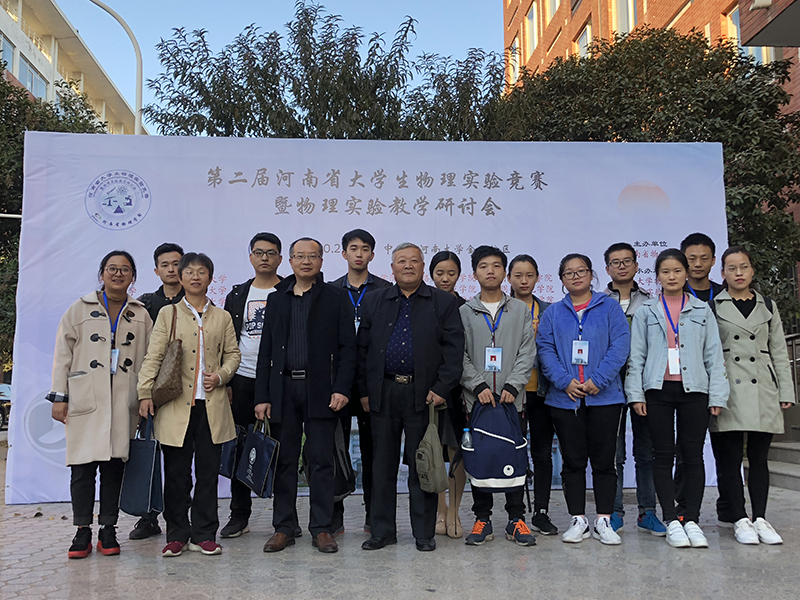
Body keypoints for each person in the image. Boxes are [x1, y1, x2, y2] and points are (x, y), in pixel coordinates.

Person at [358, 243, 464, 552]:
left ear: (422, 267)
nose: (408, 266)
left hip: (425, 395)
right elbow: (362, 350)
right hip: (384, 392)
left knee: (424, 464)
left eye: (414, 261)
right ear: (391, 268)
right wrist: (364, 391)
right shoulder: (375, 300)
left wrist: (441, 389)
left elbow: (454, 351)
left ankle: (424, 532)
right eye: (401, 261)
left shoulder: (443, 302)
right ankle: (382, 531)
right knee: (382, 465)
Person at [48, 251, 152, 558]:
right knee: (82, 468)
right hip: (85, 397)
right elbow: (62, 354)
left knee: (113, 468)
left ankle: (108, 529)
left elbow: (149, 359)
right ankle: (82, 531)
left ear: (133, 277)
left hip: (122, 399)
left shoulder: (141, 314)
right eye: (112, 268)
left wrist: (144, 395)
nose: (118, 274)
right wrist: (60, 396)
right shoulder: (79, 309)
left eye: (125, 269)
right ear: (101, 274)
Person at [255, 238, 356, 554]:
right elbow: (266, 351)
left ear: (321, 261)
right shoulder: (277, 299)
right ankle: (284, 527)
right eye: (300, 256)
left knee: (321, 461)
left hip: (321, 390)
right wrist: (262, 395)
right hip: (284, 389)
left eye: (312, 256)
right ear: (290, 261)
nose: (306, 261)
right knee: (284, 460)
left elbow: (348, 349)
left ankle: (322, 528)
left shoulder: (335, 298)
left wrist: (341, 388)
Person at [138, 252, 241, 557]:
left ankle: (204, 534)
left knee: (208, 474)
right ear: (180, 278)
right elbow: (154, 355)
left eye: (202, 272)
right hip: (175, 407)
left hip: (212, 407)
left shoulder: (222, 317)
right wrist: (145, 393)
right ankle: (177, 534)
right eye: (190, 272)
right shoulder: (168, 314)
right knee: (176, 475)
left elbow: (233, 355)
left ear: (210, 278)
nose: (195, 277)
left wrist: (221, 376)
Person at [626, 248, 728, 549]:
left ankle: (691, 518)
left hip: (695, 390)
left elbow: (714, 356)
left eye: (677, 271)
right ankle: (671, 519)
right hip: (657, 390)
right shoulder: (646, 311)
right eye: (665, 271)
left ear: (686, 273)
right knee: (662, 455)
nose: (671, 276)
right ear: (657, 276)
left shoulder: (702, 310)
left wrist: (717, 394)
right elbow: (637, 357)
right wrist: (636, 394)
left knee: (693, 456)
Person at [537, 253, 630, 546]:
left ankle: (604, 519)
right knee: (572, 462)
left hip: (605, 398)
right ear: (561, 280)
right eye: (569, 273)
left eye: (581, 271)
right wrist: (564, 381)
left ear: (591, 275)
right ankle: (578, 519)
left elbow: (620, 345)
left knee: (605, 462)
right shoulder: (553, 313)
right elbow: (545, 349)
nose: (576, 276)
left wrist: (598, 380)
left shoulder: (609, 307)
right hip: (565, 400)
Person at [709, 246, 795, 545]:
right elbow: (709, 353)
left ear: (752, 270)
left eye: (743, 267)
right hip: (728, 390)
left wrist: (786, 390)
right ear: (723, 273)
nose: (738, 273)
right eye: (732, 268)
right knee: (730, 459)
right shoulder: (712, 306)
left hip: (763, 389)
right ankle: (739, 518)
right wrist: (713, 394)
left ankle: (760, 517)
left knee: (759, 458)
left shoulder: (767, 305)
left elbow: (779, 351)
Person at [460, 246, 537, 547]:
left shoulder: (519, 310)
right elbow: (459, 355)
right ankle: (483, 519)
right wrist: (477, 386)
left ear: (504, 272)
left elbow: (526, 351)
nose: (490, 271)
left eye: (496, 265)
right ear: (474, 273)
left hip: (511, 401)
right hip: (477, 402)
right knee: (481, 458)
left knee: (513, 456)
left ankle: (516, 519)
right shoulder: (465, 312)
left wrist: (514, 385)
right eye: (483, 266)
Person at [220, 233, 283, 539]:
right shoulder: (237, 294)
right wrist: (227, 380)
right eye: (259, 253)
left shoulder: (290, 290)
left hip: (280, 380)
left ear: (280, 258)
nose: (264, 258)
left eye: (270, 253)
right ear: (250, 257)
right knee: (240, 449)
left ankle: (284, 519)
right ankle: (239, 514)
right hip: (243, 379)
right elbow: (226, 341)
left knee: (283, 448)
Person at [329, 229, 391, 535]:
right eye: (353, 248)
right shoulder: (330, 291)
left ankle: (373, 513)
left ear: (372, 255)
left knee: (373, 450)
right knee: (336, 448)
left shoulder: (385, 290)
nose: (359, 254)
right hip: (339, 381)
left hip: (372, 381)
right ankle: (334, 514)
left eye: (365, 249)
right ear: (343, 253)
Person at [602, 242, 665, 536]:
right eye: (615, 262)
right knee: (613, 453)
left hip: (643, 382)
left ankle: (647, 512)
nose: (622, 266)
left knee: (646, 452)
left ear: (637, 266)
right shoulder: (599, 303)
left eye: (627, 261)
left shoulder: (651, 303)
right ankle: (614, 512)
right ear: (607, 269)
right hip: (608, 384)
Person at [128, 242, 184, 541]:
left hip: (186, 390)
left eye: (177, 263)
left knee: (181, 458)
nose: (172, 269)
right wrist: (144, 391)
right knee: (150, 453)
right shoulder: (144, 305)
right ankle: (148, 516)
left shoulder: (196, 300)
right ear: (156, 270)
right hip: (151, 390)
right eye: (165, 265)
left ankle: (182, 517)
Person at [506, 254, 558, 536]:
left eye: (529, 275)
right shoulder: (502, 310)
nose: (524, 281)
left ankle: (541, 511)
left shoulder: (549, 311)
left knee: (542, 453)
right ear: (509, 278)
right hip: (511, 393)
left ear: (538, 277)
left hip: (543, 392)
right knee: (513, 454)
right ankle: (515, 514)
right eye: (518, 275)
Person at [676, 233, 725, 521]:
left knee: (725, 446)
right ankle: (683, 508)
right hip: (686, 382)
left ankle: (730, 507)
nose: (697, 264)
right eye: (691, 259)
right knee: (686, 450)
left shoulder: (724, 294)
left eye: (704, 258)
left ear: (713, 261)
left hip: (721, 377)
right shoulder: (672, 297)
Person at [429, 251, 467, 539]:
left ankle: (454, 511)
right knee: (432, 451)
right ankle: (439, 511)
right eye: (440, 273)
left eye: (451, 273)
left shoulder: (466, 308)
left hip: (459, 391)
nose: (445, 278)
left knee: (456, 452)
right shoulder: (424, 303)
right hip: (428, 389)